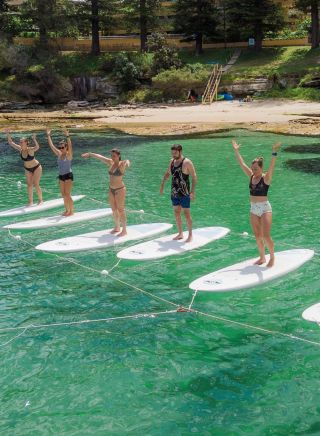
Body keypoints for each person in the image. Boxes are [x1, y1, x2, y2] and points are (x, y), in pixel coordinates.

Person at [232, 139, 281, 267]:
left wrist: (274, 152)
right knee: (258, 236)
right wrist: (236, 150)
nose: (253, 170)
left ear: (261, 167)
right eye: (252, 168)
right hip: (253, 209)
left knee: (266, 235)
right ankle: (262, 258)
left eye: (256, 168)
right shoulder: (251, 176)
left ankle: (272, 257)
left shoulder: (266, 178)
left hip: (265, 209)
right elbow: (242, 164)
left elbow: (272, 166)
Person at [81, 149, 130, 236]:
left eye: (114, 156)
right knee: (114, 209)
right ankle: (117, 227)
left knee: (120, 209)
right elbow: (99, 157)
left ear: (118, 156)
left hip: (120, 189)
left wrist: (127, 163)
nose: (112, 157)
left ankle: (124, 230)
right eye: (111, 156)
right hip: (111, 189)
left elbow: (127, 161)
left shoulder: (121, 164)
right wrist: (89, 154)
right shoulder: (110, 162)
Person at [160, 144, 197, 243]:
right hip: (174, 192)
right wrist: (162, 184)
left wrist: (192, 192)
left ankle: (190, 235)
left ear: (180, 151)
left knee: (186, 213)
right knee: (176, 212)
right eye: (172, 153)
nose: (173, 154)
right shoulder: (172, 161)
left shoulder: (187, 162)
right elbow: (168, 173)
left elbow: (194, 177)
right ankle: (180, 233)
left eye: (175, 153)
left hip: (184, 193)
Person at [6, 130, 43, 206]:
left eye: (22, 142)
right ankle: (30, 201)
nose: (20, 143)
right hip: (27, 169)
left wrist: (34, 139)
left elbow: (37, 147)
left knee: (36, 184)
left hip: (36, 167)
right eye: (20, 142)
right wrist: (8, 133)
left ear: (26, 143)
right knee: (29, 185)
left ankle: (40, 200)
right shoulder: (20, 149)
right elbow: (10, 142)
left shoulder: (30, 149)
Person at [46, 128, 74, 216]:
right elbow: (51, 146)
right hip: (61, 176)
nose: (61, 149)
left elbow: (70, 146)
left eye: (62, 147)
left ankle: (71, 211)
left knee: (68, 194)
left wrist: (67, 136)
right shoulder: (59, 154)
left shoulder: (69, 155)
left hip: (68, 175)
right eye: (60, 147)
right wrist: (48, 135)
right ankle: (67, 210)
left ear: (66, 147)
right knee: (63, 195)